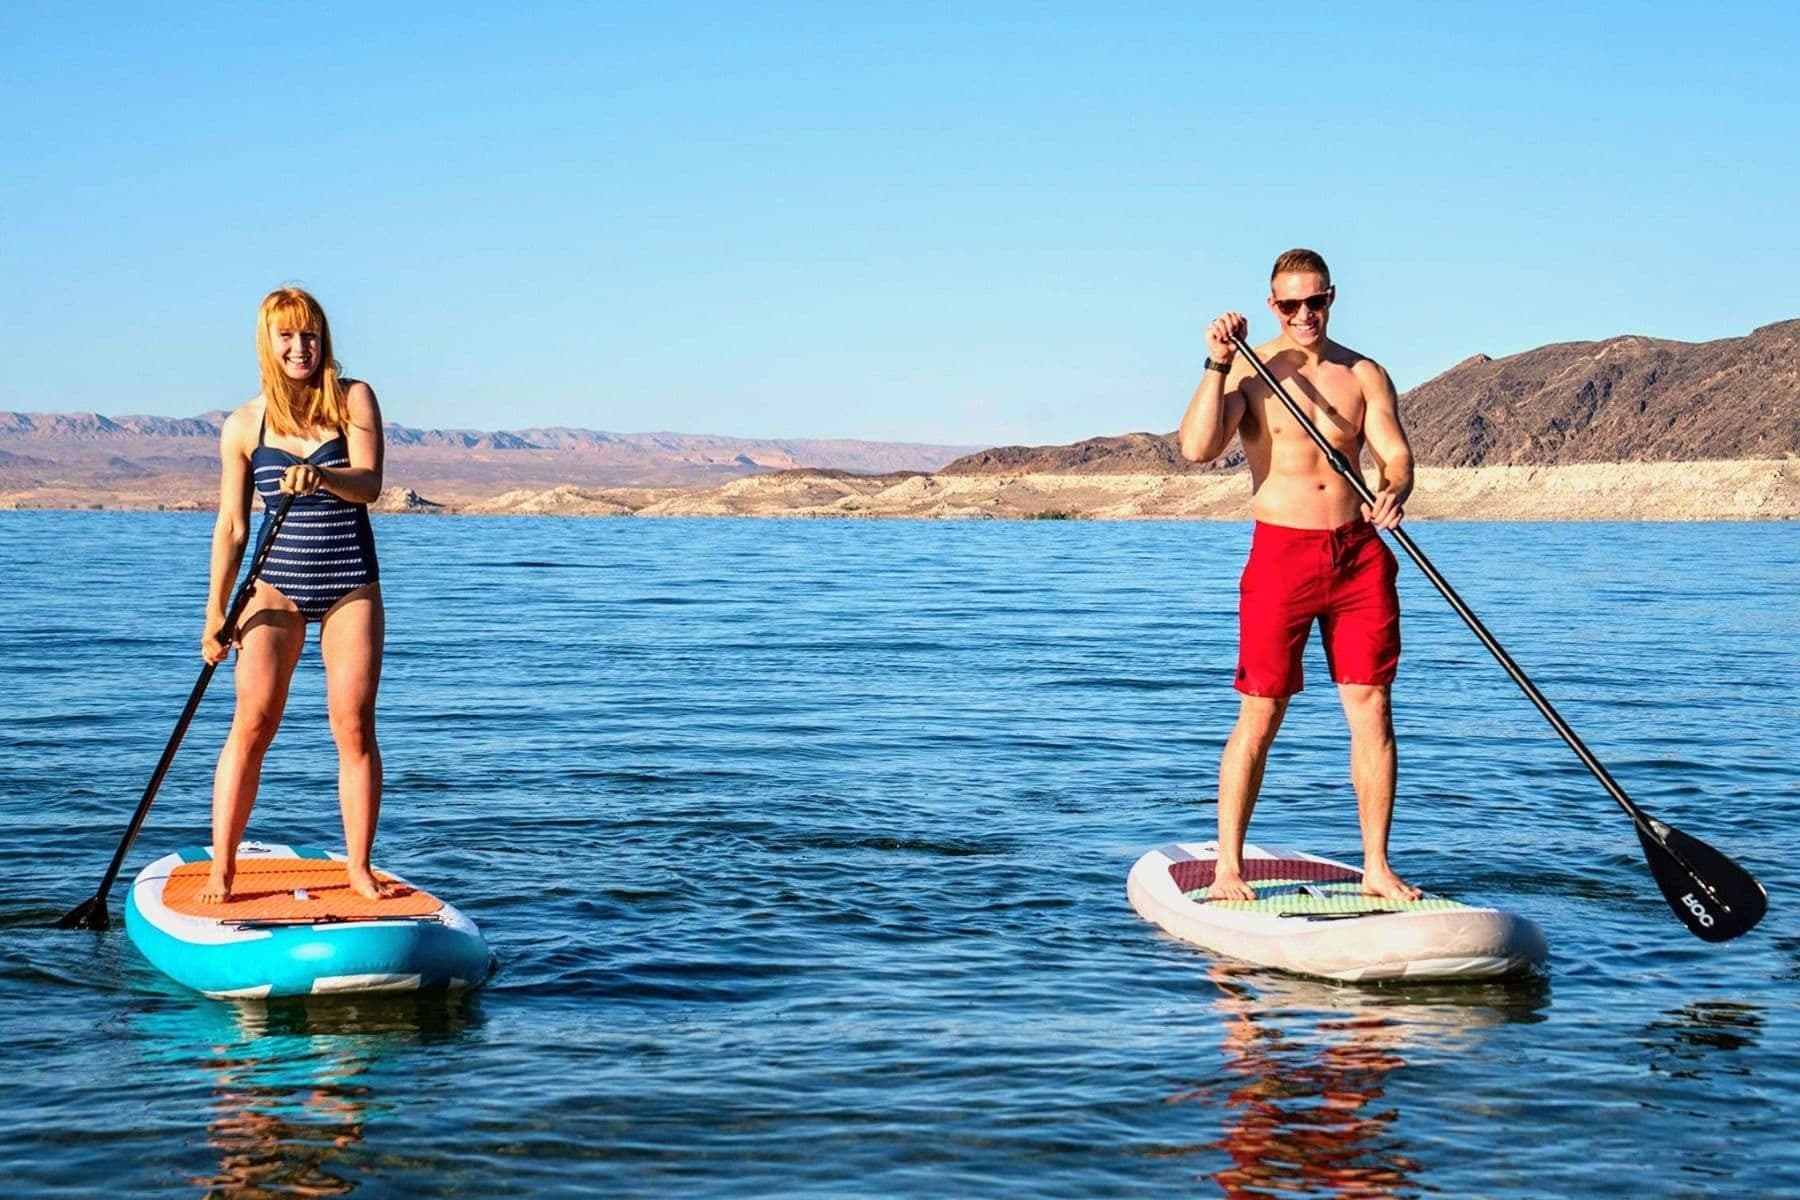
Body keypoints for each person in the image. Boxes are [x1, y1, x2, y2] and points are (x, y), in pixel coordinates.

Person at [1177, 249, 1420, 901]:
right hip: (1281, 554)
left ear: (1332, 298)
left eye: (1317, 301)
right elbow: (1197, 449)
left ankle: (1376, 866)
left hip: (1359, 555)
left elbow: (1395, 455)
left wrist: (1396, 489)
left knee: (1372, 707)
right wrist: (1218, 362)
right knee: (1262, 709)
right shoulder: (1253, 375)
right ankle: (1229, 866)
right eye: (1291, 305)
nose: (1305, 314)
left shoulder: (1364, 373)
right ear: (1271, 307)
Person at [198, 287, 392, 903]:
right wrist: (215, 611)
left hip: (349, 585)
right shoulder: (243, 424)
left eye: (308, 334)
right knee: (252, 725)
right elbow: (232, 525)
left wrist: (323, 474)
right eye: (286, 335)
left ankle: (358, 868)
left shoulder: (353, 398)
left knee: (354, 726)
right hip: (272, 591)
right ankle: (222, 870)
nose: (299, 346)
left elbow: (369, 486)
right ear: (268, 342)